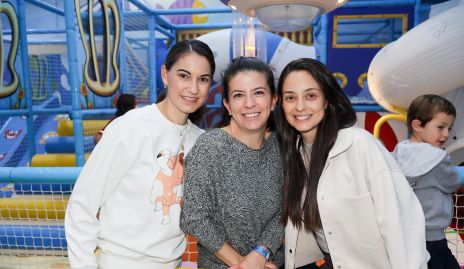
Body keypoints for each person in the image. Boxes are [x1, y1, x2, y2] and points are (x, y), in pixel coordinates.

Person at [65, 39, 215, 269]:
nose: (193, 88)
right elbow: (82, 204)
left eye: (203, 79)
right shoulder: (131, 128)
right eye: (184, 76)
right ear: (165, 75)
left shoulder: (200, 140)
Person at [274, 58, 429, 269]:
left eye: (311, 95)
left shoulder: (360, 145)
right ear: (281, 104)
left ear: (327, 100)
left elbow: (401, 221)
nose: (300, 106)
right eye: (290, 97)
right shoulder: (294, 154)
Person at [180, 57, 284, 269]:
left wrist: (261, 252)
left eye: (258, 92)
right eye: (238, 95)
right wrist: (242, 264)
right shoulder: (210, 147)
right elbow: (193, 217)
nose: (249, 103)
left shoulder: (282, 146)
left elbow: (288, 209)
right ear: (227, 105)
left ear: (273, 100)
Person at [393, 94, 460, 269]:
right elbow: (452, 181)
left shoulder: (399, 151)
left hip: (406, 235)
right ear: (417, 125)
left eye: (449, 128)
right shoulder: (438, 158)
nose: (445, 134)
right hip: (433, 237)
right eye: (440, 127)